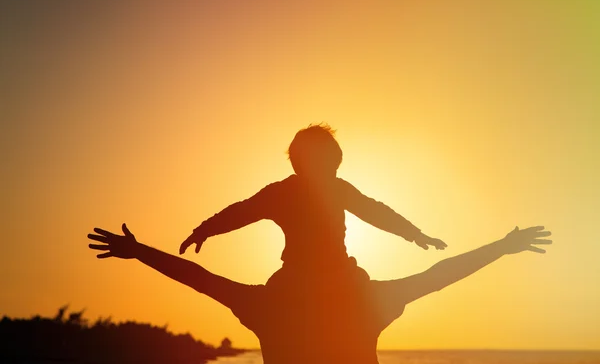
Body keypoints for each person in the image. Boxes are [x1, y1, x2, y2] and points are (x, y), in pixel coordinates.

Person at [88, 223, 551, 364]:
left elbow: (197, 277)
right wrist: (502, 247)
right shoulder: (368, 301)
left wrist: (140, 251)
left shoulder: (266, 304)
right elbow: (442, 273)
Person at [179, 124, 447, 287]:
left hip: (337, 273)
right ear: (303, 162)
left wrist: (413, 233)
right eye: (327, 160)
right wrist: (206, 229)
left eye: (334, 163)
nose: (332, 168)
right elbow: (241, 212)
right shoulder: (285, 193)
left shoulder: (333, 188)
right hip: (300, 276)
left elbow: (374, 211)